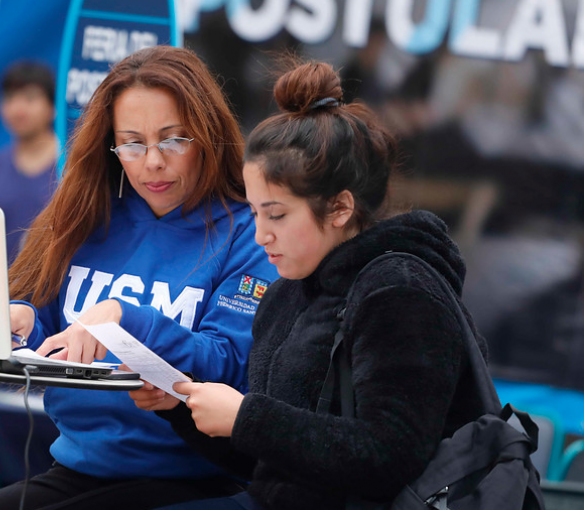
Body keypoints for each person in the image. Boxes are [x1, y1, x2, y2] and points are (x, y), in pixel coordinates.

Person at [130, 59, 490, 510]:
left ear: (340, 208)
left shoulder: (401, 290)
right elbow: (269, 464)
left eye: (276, 215)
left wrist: (245, 417)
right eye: (255, 213)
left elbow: (391, 455)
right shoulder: (286, 293)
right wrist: (183, 408)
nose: (260, 234)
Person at [0, 46, 278, 510]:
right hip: (77, 468)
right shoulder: (90, 214)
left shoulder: (247, 233)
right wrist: (26, 318)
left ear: (207, 135)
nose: (152, 161)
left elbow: (228, 362)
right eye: (131, 143)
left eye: (173, 140)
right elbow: (54, 324)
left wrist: (125, 320)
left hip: (191, 477)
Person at [0, 60, 58, 263]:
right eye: (10, 98)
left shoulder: (75, 167)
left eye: (30, 98)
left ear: (53, 107)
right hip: (0, 290)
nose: (18, 109)